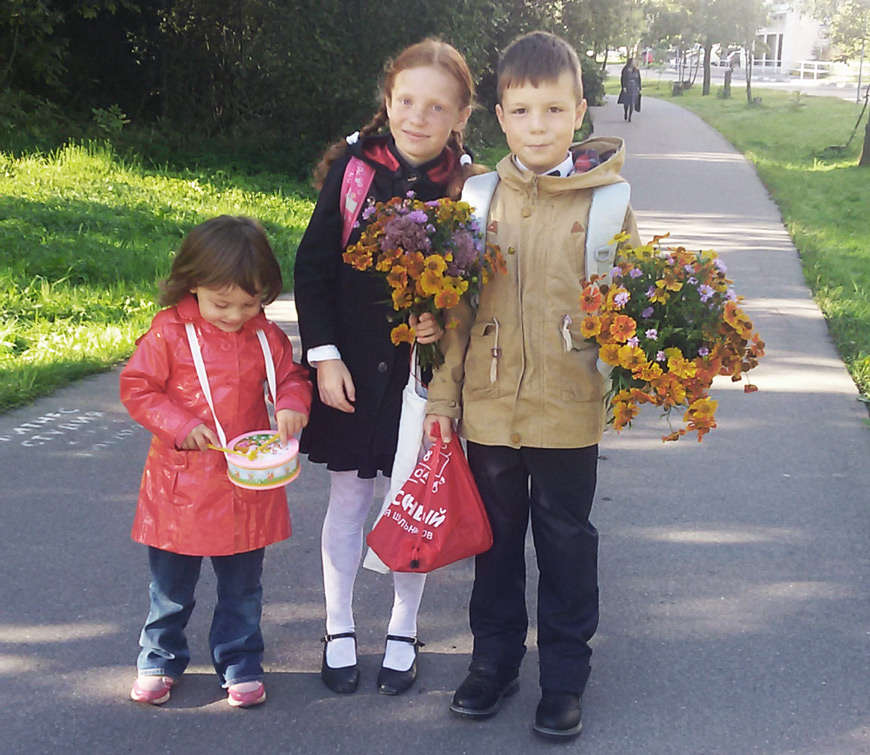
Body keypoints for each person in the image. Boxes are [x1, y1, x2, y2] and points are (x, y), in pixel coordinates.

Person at [424, 31, 641, 740]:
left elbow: (636, 301)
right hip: (488, 408)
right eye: (521, 111)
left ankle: (565, 676)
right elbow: (456, 308)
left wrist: (649, 359)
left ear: (579, 111)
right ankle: (493, 662)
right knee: (494, 543)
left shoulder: (608, 203)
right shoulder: (477, 198)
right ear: (500, 116)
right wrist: (441, 398)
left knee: (565, 544)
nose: (538, 126)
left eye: (553, 110)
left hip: (567, 409)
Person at [293, 38, 477, 696]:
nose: (417, 117)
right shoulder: (354, 169)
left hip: (419, 378)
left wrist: (441, 320)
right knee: (348, 498)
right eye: (406, 101)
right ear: (388, 100)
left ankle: (403, 626)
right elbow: (313, 268)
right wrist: (323, 357)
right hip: (349, 371)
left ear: (461, 115)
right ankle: (338, 626)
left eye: (436, 107)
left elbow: (477, 282)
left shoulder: (468, 186)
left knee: (411, 501)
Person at [120, 215, 312, 708]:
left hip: (245, 484)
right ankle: (159, 658)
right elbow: (139, 388)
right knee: (170, 588)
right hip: (180, 486)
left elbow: (290, 377)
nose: (234, 315)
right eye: (221, 303)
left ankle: (240, 660)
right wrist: (179, 425)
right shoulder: (168, 333)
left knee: (243, 588)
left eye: (250, 303)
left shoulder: (265, 335)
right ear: (193, 284)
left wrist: (292, 403)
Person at [620, 57, 642, 122]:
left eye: (634, 62)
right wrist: (624, 87)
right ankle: (625, 113)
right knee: (626, 102)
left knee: (632, 102)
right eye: (633, 62)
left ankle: (630, 117)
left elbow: (639, 79)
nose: (634, 63)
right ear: (630, 62)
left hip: (634, 87)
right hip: (627, 87)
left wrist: (639, 87)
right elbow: (622, 79)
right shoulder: (625, 69)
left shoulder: (636, 70)